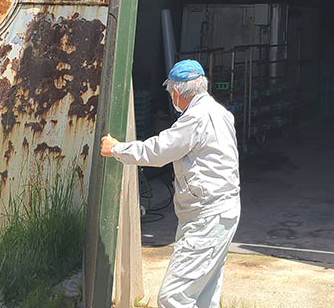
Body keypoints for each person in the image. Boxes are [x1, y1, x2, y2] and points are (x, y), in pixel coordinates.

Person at [100, 59, 240, 308]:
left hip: (207, 216)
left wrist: (117, 149)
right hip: (219, 212)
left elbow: (158, 151)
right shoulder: (220, 112)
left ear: (176, 92)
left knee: (172, 296)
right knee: (203, 295)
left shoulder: (196, 118)